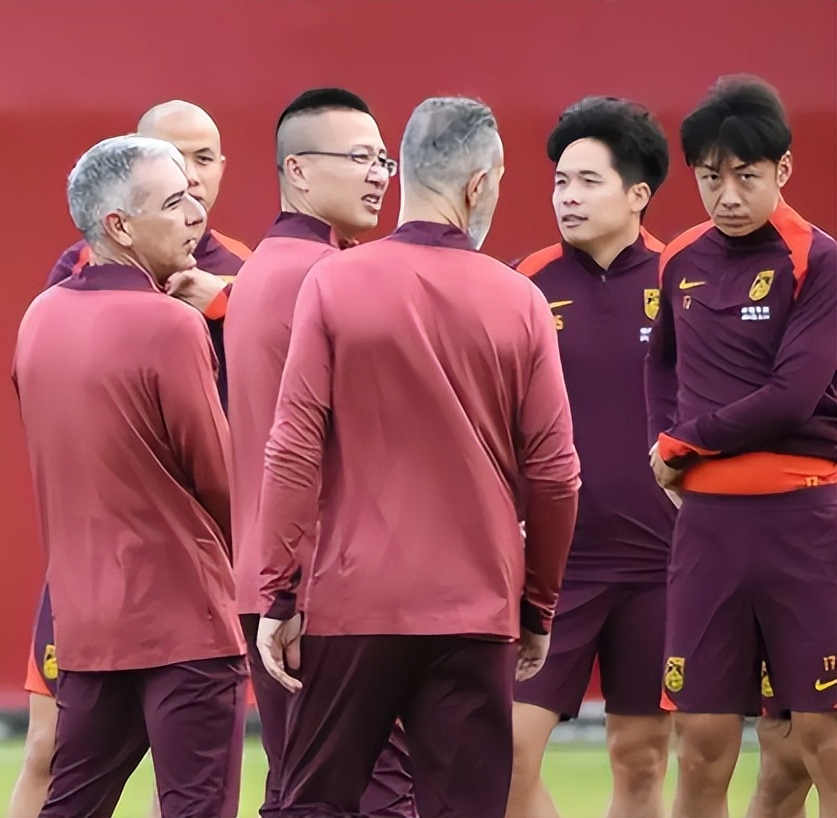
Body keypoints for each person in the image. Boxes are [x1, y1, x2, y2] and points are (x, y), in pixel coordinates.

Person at [252, 96, 580, 818]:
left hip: (355, 602)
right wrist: (538, 605)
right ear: (478, 184)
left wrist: (278, 592)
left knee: (312, 805)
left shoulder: (333, 283)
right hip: (477, 606)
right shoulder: (521, 301)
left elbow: (293, 448)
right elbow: (556, 475)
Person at [7, 100, 249, 818]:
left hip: (86, 620)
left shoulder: (39, 316)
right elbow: (219, 477)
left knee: (69, 799)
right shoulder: (172, 324)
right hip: (185, 620)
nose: (194, 213)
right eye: (173, 202)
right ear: (118, 225)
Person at [644, 74, 837, 818]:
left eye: (746, 177)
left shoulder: (817, 259)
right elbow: (660, 368)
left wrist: (682, 442)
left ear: (783, 168)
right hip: (708, 531)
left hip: (805, 524)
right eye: (709, 177)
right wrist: (660, 444)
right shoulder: (679, 259)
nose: (726, 196)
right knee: (698, 746)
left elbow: (792, 397)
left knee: (824, 741)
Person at [224, 87, 413, 818]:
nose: (378, 175)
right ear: (298, 170)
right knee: (378, 796)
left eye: (384, 161)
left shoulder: (264, 270)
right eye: (360, 158)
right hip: (322, 585)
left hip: (279, 576)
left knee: (298, 790)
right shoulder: (323, 275)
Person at [507, 97, 675, 818]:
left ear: (637, 194)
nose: (566, 197)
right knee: (506, 754)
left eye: (587, 181)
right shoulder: (523, 283)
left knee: (641, 760)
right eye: (559, 182)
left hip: (661, 564)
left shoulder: (681, 280)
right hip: (553, 567)